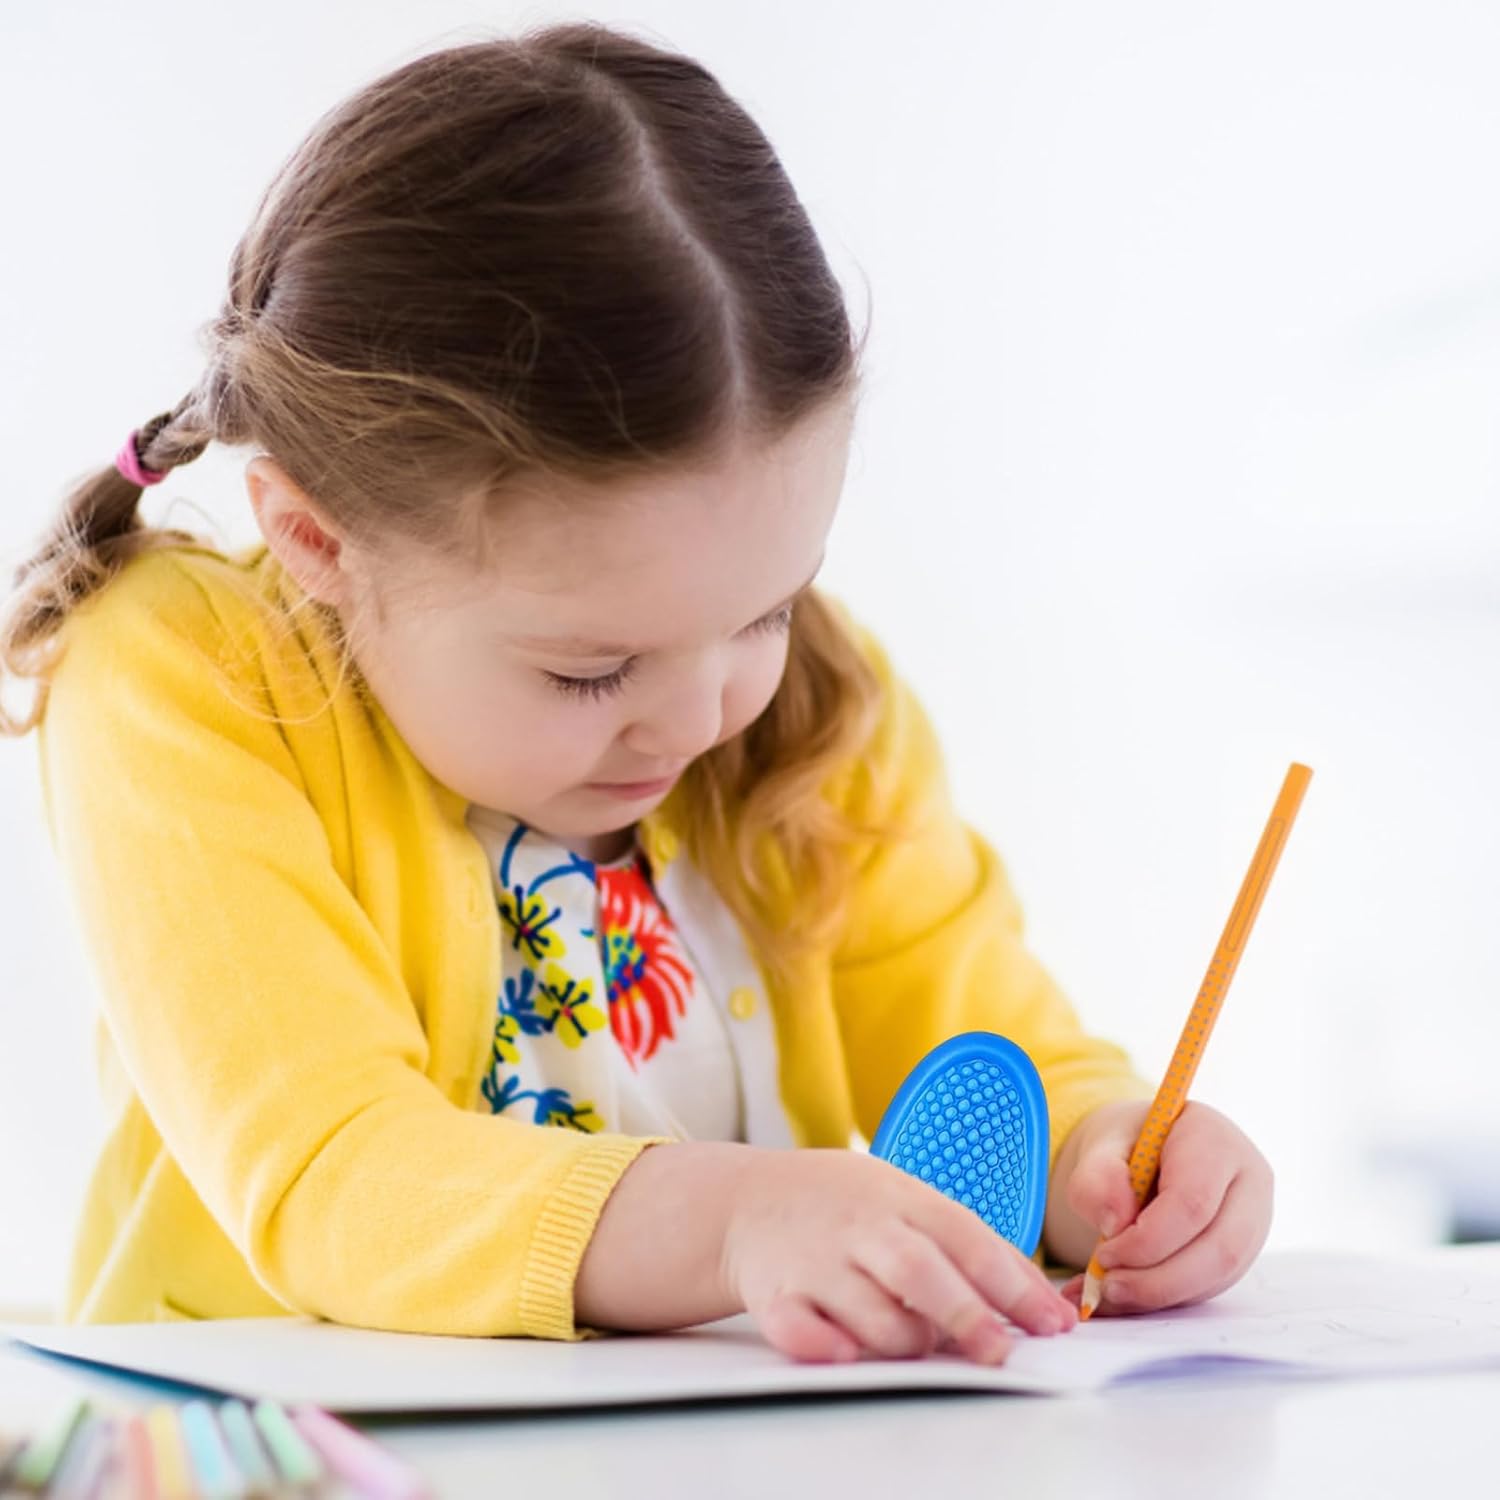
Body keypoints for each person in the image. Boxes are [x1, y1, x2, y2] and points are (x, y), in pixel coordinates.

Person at [0, 24, 1272, 1364]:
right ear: (318, 541)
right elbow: (331, 1167)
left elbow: (974, 1032)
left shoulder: (811, 701)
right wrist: (736, 1221)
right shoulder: (189, 677)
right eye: (590, 670)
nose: (701, 717)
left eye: (766, 611)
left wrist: (1100, 1153)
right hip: (297, 1439)